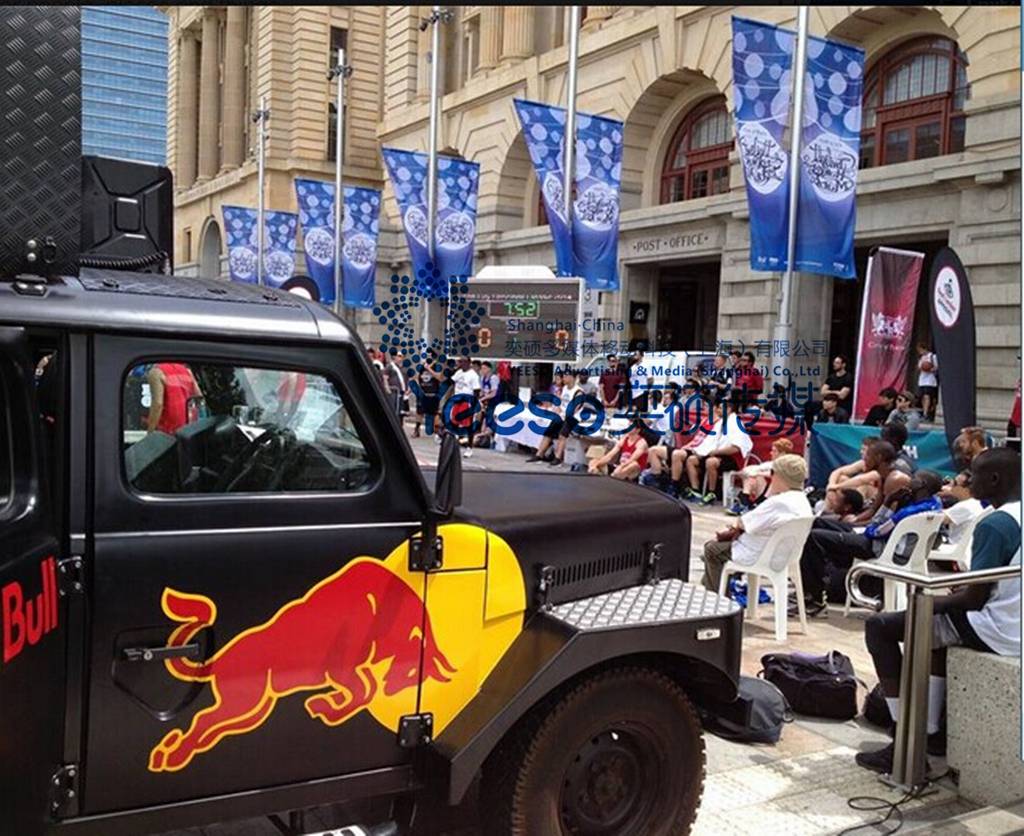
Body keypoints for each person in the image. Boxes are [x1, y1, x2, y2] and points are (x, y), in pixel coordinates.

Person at [856, 447, 1021, 773]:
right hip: (1015, 622)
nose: (967, 482)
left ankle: (902, 737)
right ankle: (929, 733)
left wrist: (926, 598)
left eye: (973, 475)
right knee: (934, 629)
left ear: (994, 479)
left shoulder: (997, 524)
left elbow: (974, 599)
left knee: (881, 627)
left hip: (1000, 629)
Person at [798, 469, 944, 615]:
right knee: (819, 523)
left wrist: (888, 502)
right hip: (896, 547)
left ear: (921, 484)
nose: (910, 480)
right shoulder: (935, 504)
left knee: (815, 537)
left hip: (881, 548)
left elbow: (875, 531)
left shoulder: (907, 513)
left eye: (914, 478)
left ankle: (814, 599)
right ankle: (811, 584)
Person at [700, 455, 813, 593]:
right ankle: (713, 587)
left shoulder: (778, 502)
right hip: (784, 557)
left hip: (759, 556)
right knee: (717, 551)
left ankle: (717, 598)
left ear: (780, 476)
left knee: (711, 549)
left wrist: (770, 493)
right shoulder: (802, 501)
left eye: (772, 473)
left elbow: (745, 522)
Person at [673, 400, 753, 505]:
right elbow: (709, 442)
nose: (718, 410)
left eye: (720, 408)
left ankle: (712, 493)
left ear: (728, 409)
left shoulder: (736, 424)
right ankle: (696, 491)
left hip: (732, 458)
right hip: (716, 454)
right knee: (692, 460)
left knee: (711, 462)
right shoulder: (720, 423)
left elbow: (735, 448)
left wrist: (715, 452)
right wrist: (700, 452)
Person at [725, 438, 795, 515]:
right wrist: (751, 472)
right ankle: (744, 502)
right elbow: (751, 469)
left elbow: (776, 474)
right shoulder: (770, 464)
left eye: (774, 451)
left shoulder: (789, 465)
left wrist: (758, 473)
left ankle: (747, 503)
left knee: (773, 479)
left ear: (782, 453)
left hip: (779, 496)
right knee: (752, 477)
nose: (771, 453)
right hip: (765, 493)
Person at [146, 362, 202, 434]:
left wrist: (150, 432)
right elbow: (199, 395)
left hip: (167, 430)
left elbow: (158, 404)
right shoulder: (187, 371)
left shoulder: (156, 373)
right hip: (187, 429)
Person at [805, 355, 854, 429]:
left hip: (841, 403)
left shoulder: (848, 377)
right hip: (828, 400)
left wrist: (829, 392)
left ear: (843, 365)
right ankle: (809, 428)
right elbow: (822, 392)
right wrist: (837, 392)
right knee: (809, 405)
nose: (834, 364)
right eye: (834, 362)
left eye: (837, 363)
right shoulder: (831, 377)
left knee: (840, 411)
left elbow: (842, 395)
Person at [450, 357, 481, 458]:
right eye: (460, 361)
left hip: (467, 402)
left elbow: (476, 391)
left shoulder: (473, 375)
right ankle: (454, 444)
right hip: (457, 401)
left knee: (468, 425)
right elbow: (451, 383)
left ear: (468, 363)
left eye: (463, 362)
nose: (461, 363)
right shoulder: (458, 372)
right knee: (454, 423)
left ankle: (469, 447)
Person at [413, 356, 443, 439]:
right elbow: (416, 377)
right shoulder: (422, 366)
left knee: (435, 413)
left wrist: (429, 369)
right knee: (419, 412)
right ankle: (417, 429)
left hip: (433, 394)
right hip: (423, 393)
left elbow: (440, 378)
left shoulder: (437, 366)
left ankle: (437, 431)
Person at [916, 343, 939, 423]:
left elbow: (937, 367)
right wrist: (922, 367)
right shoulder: (921, 357)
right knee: (922, 396)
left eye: (920, 350)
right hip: (922, 380)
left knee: (927, 396)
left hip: (930, 380)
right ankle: (924, 411)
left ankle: (926, 413)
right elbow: (919, 367)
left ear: (924, 348)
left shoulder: (932, 356)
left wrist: (929, 369)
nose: (919, 352)